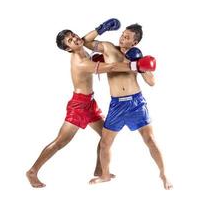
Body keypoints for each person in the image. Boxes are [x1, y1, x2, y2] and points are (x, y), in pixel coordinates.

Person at [26, 22, 133, 188]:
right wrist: (136, 65)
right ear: (68, 49)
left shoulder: (81, 47)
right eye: (70, 40)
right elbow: (111, 67)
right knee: (60, 142)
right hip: (78, 105)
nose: (75, 38)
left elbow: (85, 38)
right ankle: (32, 171)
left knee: (105, 136)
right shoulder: (80, 62)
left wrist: (101, 28)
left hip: (90, 103)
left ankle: (100, 170)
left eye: (73, 35)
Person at [83, 19, 173, 190]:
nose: (122, 38)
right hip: (117, 105)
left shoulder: (137, 55)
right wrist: (101, 29)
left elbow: (152, 82)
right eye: (122, 35)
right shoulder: (109, 48)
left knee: (150, 140)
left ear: (135, 42)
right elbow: (85, 42)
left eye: (127, 37)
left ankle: (163, 174)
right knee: (105, 143)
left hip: (136, 103)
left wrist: (141, 66)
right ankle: (105, 175)